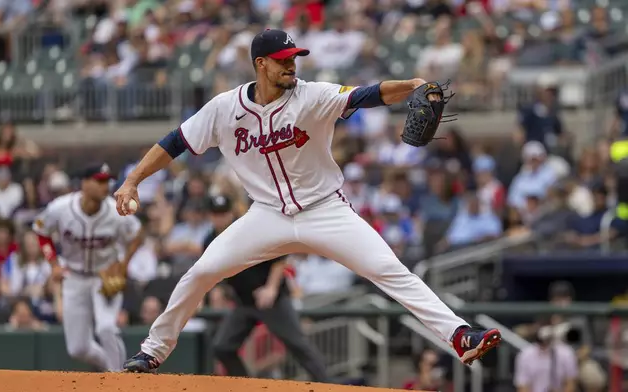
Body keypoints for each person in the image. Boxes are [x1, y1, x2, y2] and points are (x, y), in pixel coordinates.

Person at [116, 28, 502, 373]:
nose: (292, 66)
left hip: (325, 210)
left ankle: (459, 336)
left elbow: (369, 94)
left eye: (295, 58)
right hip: (266, 216)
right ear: (261, 64)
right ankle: (154, 350)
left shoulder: (312, 95)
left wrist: (413, 84)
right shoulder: (224, 109)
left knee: (389, 269)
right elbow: (174, 142)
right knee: (201, 272)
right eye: (283, 61)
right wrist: (133, 179)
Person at [32, 163, 144, 372]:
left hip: (104, 276)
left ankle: (120, 380)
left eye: (106, 180)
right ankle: (112, 369)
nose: (105, 185)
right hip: (74, 276)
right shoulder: (61, 207)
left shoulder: (114, 210)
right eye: (99, 180)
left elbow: (137, 233)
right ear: (84, 183)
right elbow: (41, 230)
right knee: (77, 348)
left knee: (106, 328)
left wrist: (124, 264)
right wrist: (54, 264)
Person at [205, 194, 328, 381]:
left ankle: (330, 385)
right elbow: (209, 269)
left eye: (223, 214)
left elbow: (279, 256)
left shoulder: (245, 230)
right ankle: (245, 385)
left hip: (273, 300)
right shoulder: (210, 239)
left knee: (298, 345)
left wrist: (271, 288)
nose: (219, 218)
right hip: (244, 301)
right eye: (215, 214)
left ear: (231, 213)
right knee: (223, 347)